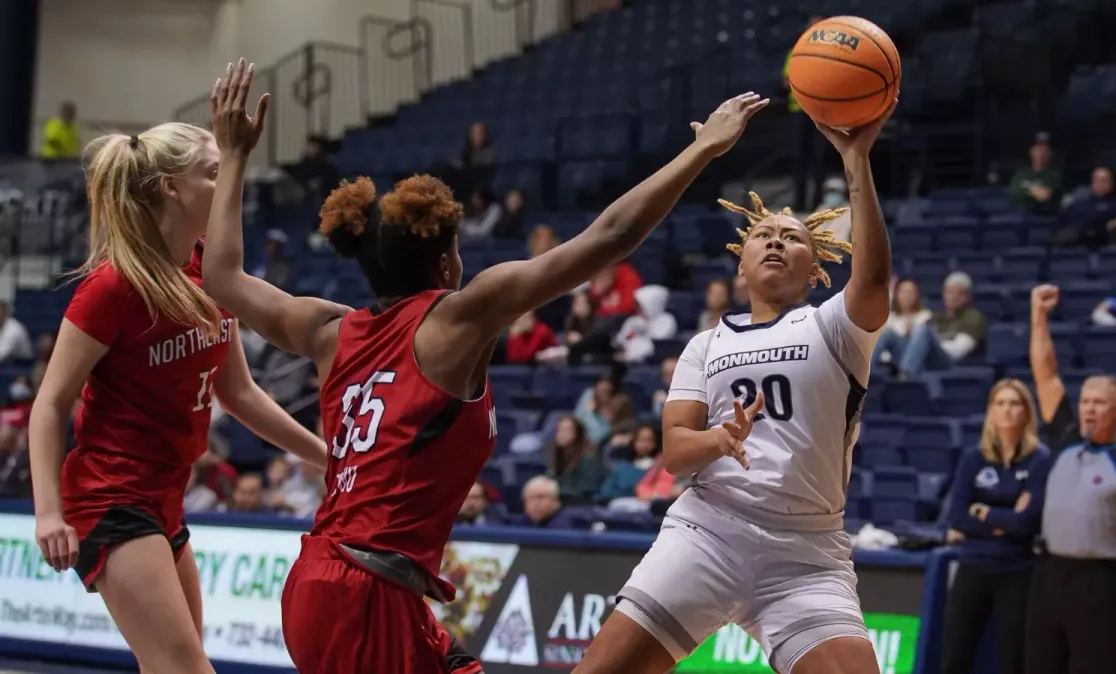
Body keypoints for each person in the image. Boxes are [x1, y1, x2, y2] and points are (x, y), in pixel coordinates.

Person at [200, 59, 769, 674]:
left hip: (335, 582)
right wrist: (703, 151)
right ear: (446, 266)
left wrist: (234, 154)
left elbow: (222, 277)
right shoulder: (456, 322)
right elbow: (611, 234)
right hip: (368, 593)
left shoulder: (328, 332)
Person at [574, 101, 896, 674]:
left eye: (793, 238)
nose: (776, 241)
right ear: (740, 265)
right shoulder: (706, 344)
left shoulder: (834, 328)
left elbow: (872, 279)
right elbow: (674, 452)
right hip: (709, 530)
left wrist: (855, 159)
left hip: (806, 552)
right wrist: (720, 439)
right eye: (764, 235)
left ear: (817, 269)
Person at [27, 120, 326, 674]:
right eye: (215, 172)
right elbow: (49, 404)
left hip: (166, 495)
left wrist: (324, 458)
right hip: (111, 495)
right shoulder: (113, 287)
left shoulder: (209, 272)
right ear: (171, 187)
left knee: (171, 665)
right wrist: (48, 514)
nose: (227, 182)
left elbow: (239, 393)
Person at [1026, 284, 1116, 674]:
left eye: (1098, 402)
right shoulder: (1065, 438)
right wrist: (1038, 315)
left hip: (1096, 582)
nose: (1088, 408)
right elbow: (1046, 372)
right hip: (1048, 575)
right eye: (1085, 401)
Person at [941, 379, 1050, 674]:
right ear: (990, 410)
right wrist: (1003, 520)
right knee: (954, 656)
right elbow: (957, 517)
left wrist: (983, 511)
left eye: (1015, 404)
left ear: (1027, 412)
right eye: (1000, 404)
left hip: (1017, 570)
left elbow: (1027, 522)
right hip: (973, 566)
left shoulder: (1040, 460)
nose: (1007, 411)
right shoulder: (972, 458)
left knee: (1013, 661)